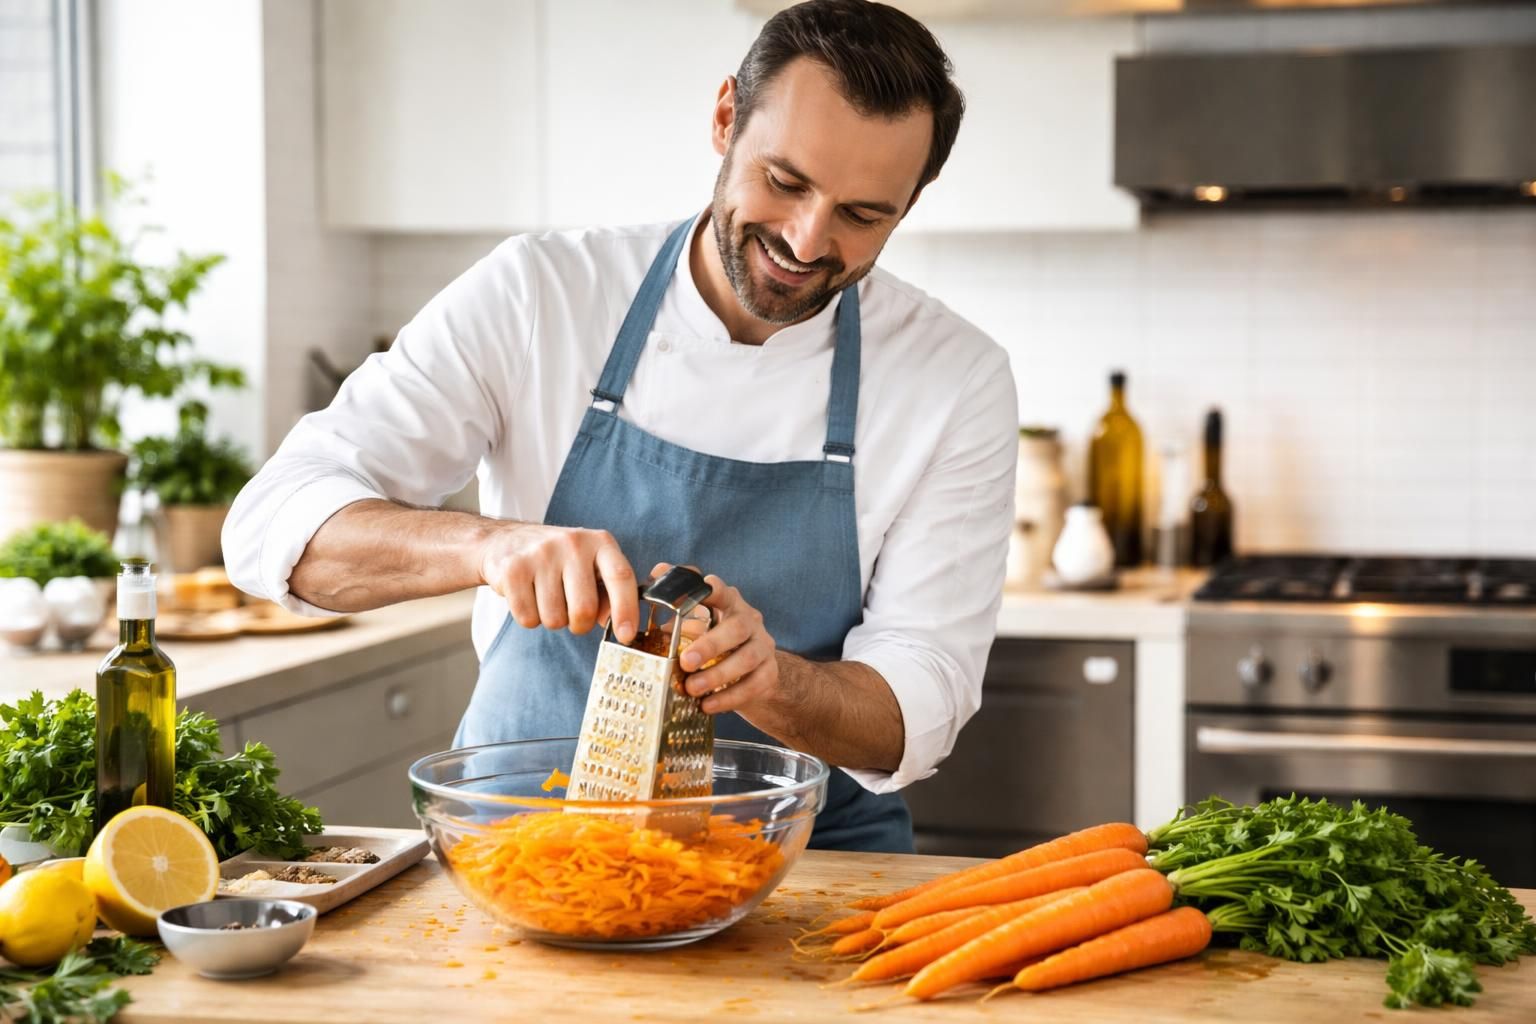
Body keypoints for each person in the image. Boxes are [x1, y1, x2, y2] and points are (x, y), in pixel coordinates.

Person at [223, 0, 1016, 853]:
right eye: (784, 182)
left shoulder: (953, 377)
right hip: (523, 844)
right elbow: (271, 526)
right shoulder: (542, 294)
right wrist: (489, 549)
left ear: (911, 202)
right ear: (725, 119)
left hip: (803, 872)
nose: (805, 238)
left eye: (864, 215)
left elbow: (920, 706)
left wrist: (771, 681)